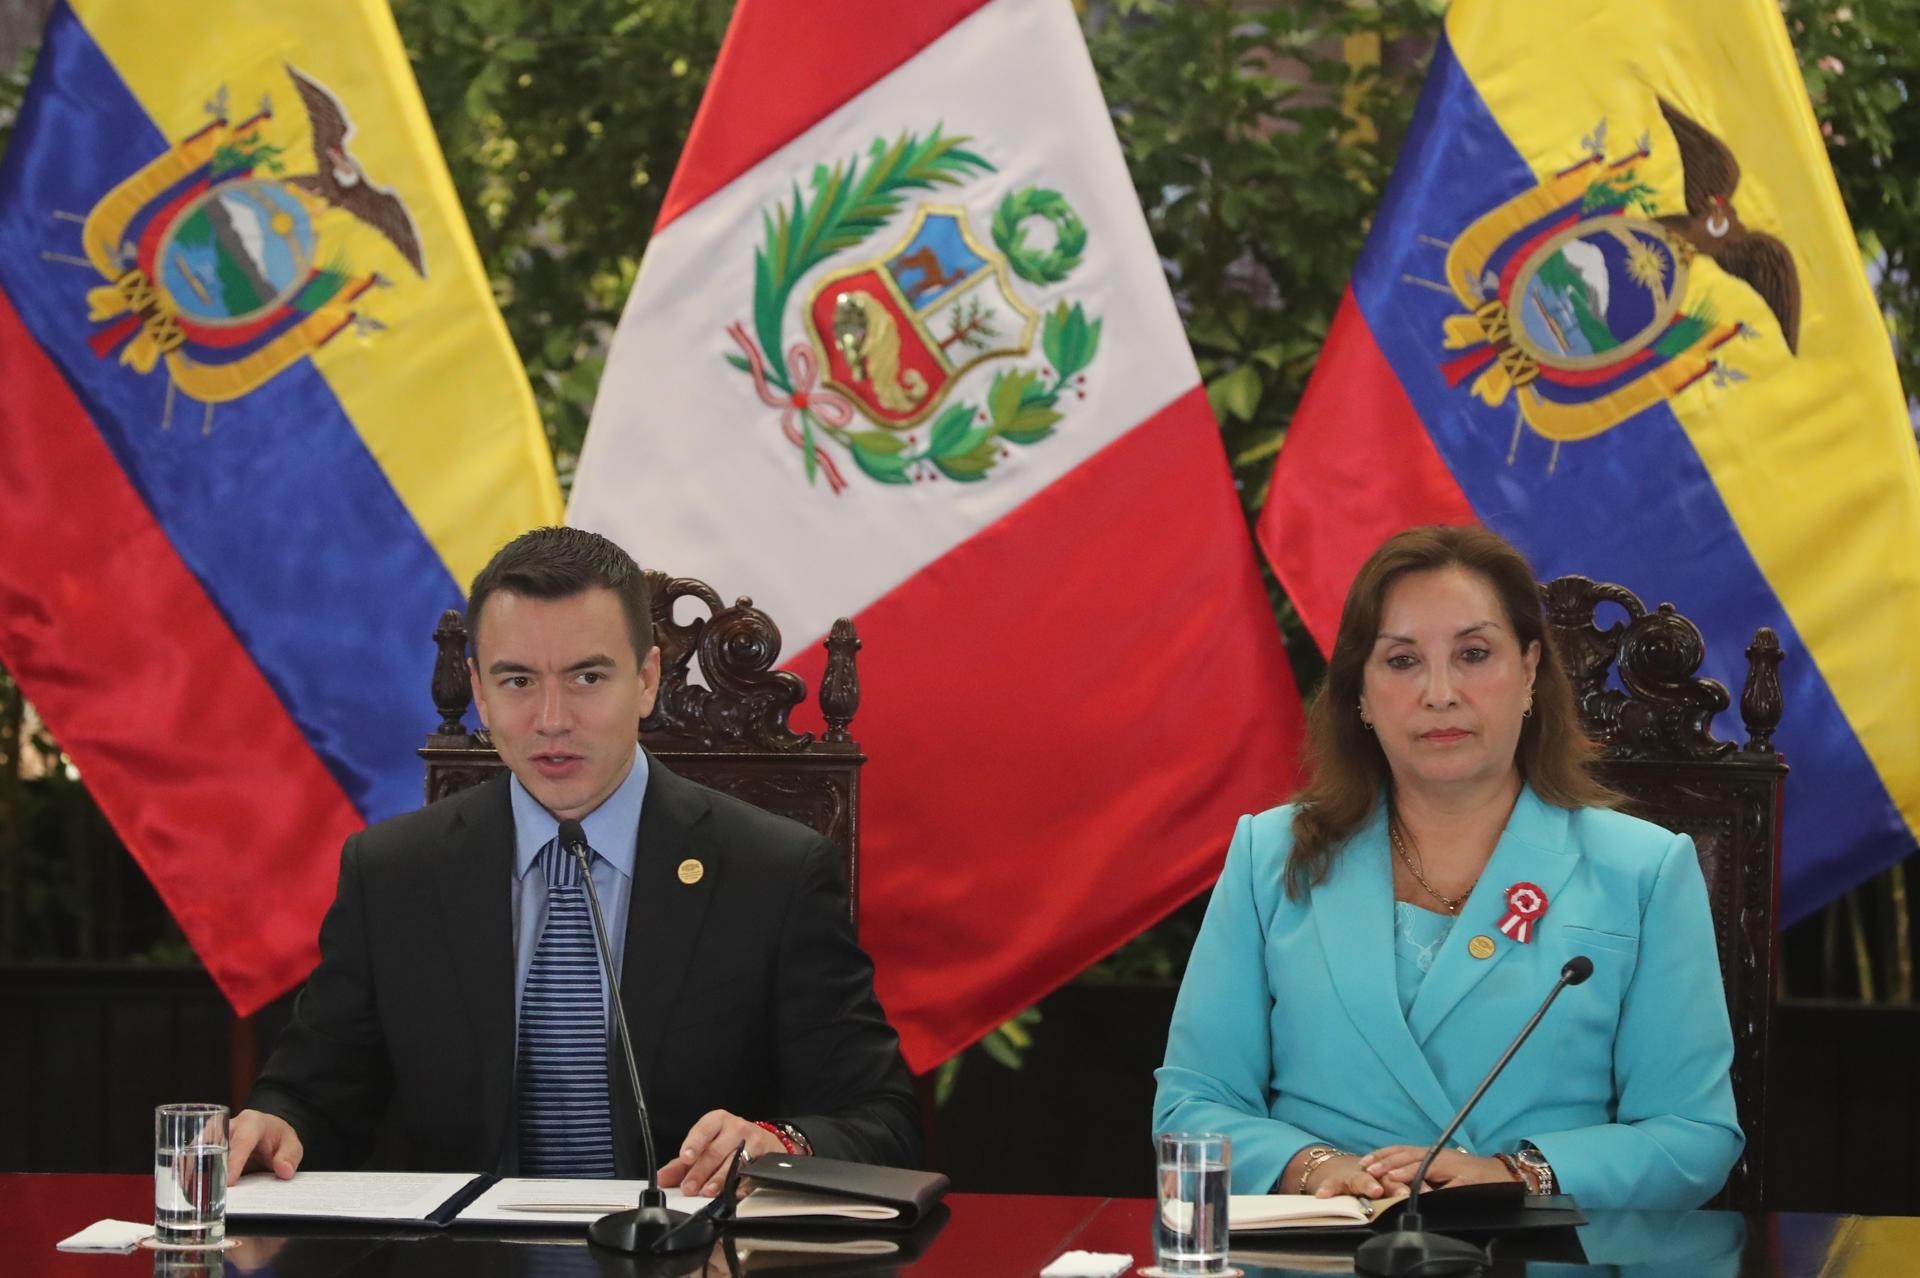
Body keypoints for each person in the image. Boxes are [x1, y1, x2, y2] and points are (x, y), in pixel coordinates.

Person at [227, 527, 921, 1191]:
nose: (552, 718)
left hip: (687, 1249)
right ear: (479, 691)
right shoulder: (393, 874)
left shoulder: (773, 873)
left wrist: (782, 1143)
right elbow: (313, 1097)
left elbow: (880, 1122)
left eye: (588, 677)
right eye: (517, 681)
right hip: (465, 1253)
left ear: (646, 679)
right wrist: (279, 1126)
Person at [1152, 525, 1741, 1211]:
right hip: (1323, 1245)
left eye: (1473, 654)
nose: (1440, 693)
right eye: (1402, 661)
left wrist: (1521, 1175)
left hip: (1541, 1249)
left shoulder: (1642, 869)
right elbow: (1192, 1105)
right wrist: (1311, 1168)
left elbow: (1693, 1136)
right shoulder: (1270, 855)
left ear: (1529, 670)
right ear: (1360, 694)